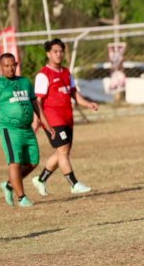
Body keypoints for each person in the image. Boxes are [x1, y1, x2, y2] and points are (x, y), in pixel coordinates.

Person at [0, 53, 55, 207]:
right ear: (0, 67)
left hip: (27, 129)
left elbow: (36, 105)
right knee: (15, 162)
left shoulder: (25, 82)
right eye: (6, 66)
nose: (10, 68)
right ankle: (22, 198)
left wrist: (46, 124)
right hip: (10, 130)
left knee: (33, 162)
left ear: (16, 64)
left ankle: (9, 185)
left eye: (12, 65)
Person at [31, 38, 99, 196]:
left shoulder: (67, 73)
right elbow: (38, 101)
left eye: (61, 51)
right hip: (52, 119)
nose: (58, 54)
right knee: (63, 151)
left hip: (67, 118)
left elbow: (74, 93)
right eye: (55, 51)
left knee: (62, 153)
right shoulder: (43, 75)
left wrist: (88, 104)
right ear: (48, 54)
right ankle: (74, 184)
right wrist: (37, 121)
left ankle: (40, 180)